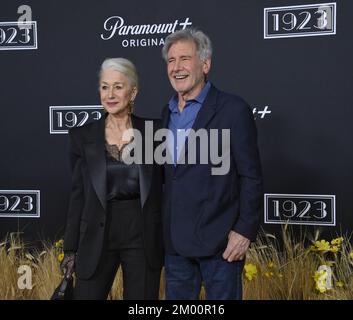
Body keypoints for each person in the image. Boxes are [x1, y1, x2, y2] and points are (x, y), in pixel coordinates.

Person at [161, 28, 263, 300]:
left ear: (205, 64)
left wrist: (244, 230)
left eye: (185, 58)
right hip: (176, 249)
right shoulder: (167, 112)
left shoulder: (233, 109)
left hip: (221, 246)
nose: (176, 67)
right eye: (171, 60)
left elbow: (250, 176)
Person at [60, 58, 163, 300]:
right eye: (105, 87)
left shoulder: (155, 132)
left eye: (118, 86)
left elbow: (174, 186)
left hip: (142, 236)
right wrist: (71, 249)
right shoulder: (81, 137)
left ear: (133, 91)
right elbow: (78, 197)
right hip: (96, 236)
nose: (110, 94)